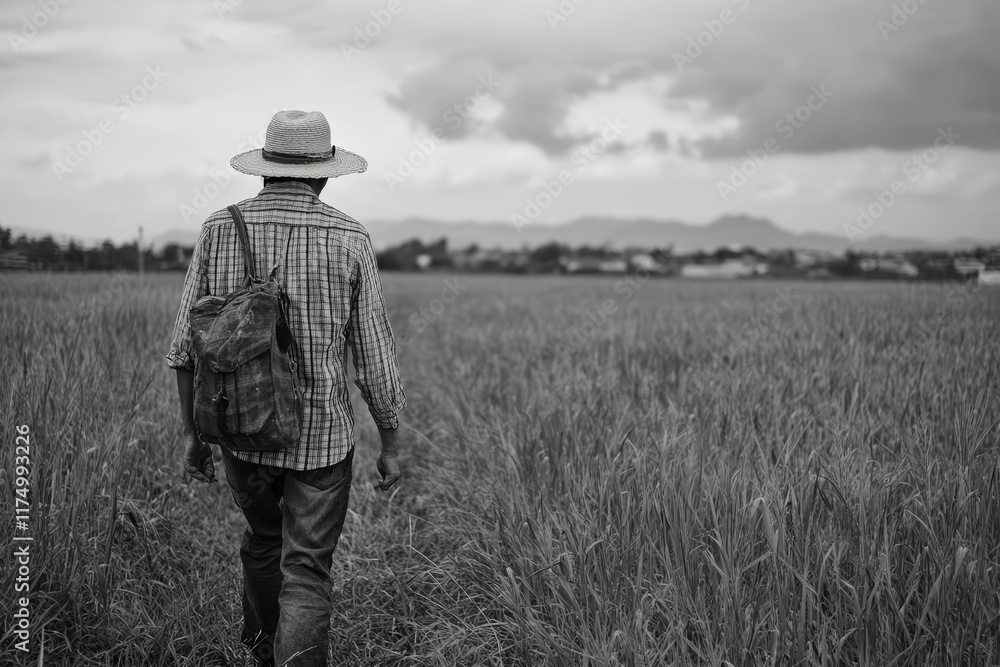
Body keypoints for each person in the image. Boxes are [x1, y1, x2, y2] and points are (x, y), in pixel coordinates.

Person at [166, 110, 406, 667]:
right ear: (324, 175)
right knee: (306, 568)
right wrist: (391, 445)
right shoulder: (349, 236)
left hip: (241, 431)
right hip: (322, 440)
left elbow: (185, 350)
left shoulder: (218, 228)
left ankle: (260, 657)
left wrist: (194, 435)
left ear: (266, 171)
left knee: (262, 543)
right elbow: (374, 357)